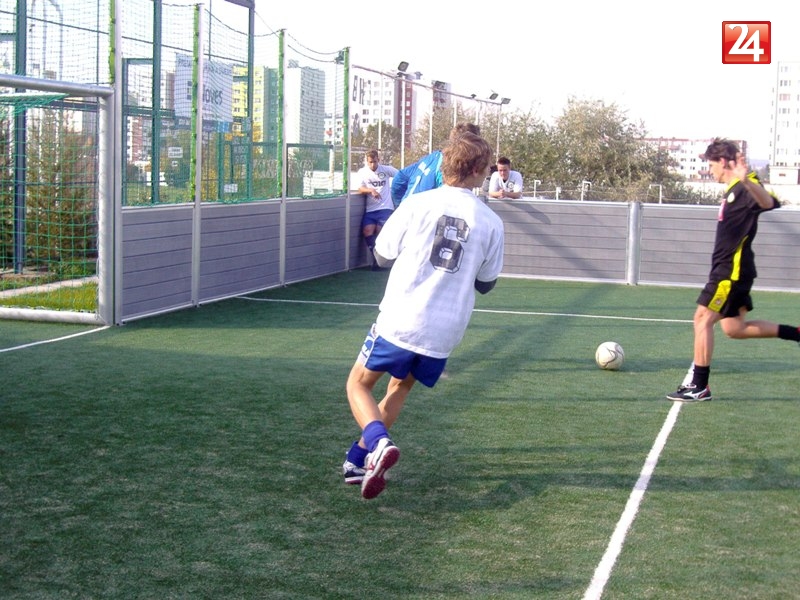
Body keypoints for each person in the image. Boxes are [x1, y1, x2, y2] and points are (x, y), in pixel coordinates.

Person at [342, 132, 505, 499]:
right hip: (444, 331)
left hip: (402, 318)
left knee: (358, 385)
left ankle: (378, 443)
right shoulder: (491, 221)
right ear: (477, 171)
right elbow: (486, 283)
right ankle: (357, 459)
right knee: (399, 388)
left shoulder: (417, 204)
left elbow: (382, 254)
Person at [666, 138, 800, 402]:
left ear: (724, 162)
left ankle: (699, 386)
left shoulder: (745, 185)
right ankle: (795, 333)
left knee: (702, 318)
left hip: (731, 272)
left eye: (711, 164)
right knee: (734, 329)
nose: (710, 170)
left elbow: (768, 203)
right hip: (730, 270)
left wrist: (747, 180)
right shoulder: (732, 189)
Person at [390, 123, 481, 205]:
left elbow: (400, 177)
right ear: (468, 144)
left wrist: (401, 206)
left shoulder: (432, 157)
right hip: (422, 213)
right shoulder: (450, 166)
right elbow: (447, 199)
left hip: (409, 211)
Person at [356, 149, 398, 270]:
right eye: (370, 162)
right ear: (366, 161)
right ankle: (376, 259)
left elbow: (401, 175)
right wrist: (371, 190)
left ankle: (384, 261)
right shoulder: (362, 172)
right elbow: (360, 189)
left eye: (374, 161)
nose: (373, 164)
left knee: (381, 233)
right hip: (371, 209)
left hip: (385, 207)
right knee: (367, 231)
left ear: (378, 160)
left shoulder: (386, 169)